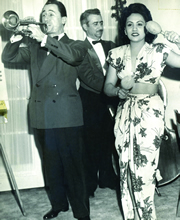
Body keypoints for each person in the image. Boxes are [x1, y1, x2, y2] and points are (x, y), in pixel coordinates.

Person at [2, 1, 90, 220]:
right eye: (43, 14)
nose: (45, 17)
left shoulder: (77, 45)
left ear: (64, 20)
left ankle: (82, 213)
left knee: (73, 169)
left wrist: (43, 39)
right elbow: (9, 58)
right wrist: (17, 36)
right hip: (41, 115)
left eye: (51, 13)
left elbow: (71, 57)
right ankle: (59, 205)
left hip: (66, 116)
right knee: (51, 166)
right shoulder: (34, 47)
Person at [104, 3, 180, 220]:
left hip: (150, 112)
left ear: (148, 26)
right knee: (125, 169)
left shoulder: (159, 50)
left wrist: (175, 40)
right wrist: (118, 91)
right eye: (130, 24)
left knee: (145, 171)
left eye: (140, 24)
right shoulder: (116, 54)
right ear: (124, 29)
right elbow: (107, 87)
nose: (135, 28)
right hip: (124, 112)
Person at [77, 8, 118, 197]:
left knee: (109, 140)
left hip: (110, 101)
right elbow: (88, 78)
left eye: (101, 23)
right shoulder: (80, 49)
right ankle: (89, 184)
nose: (100, 27)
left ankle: (107, 178)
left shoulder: (111, 45)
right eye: (95, 23)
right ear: (85, 26)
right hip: (90, 102)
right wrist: (114, 89)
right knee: (90, 143)